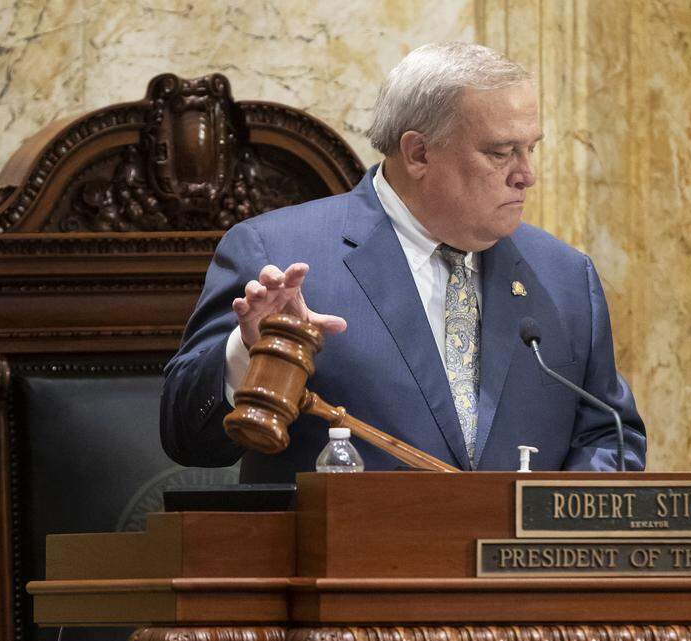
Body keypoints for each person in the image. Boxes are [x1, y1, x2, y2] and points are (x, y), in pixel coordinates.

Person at [160, 42, 646, 482]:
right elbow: (186, 438)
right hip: (343, 569)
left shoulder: (564, 277)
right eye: (502, 153)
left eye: (530, 149)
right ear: (418, 153)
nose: (527, 175)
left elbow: (610, 439)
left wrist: (557, 526)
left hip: (522, 574)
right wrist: (249, 355)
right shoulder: (279, 255)